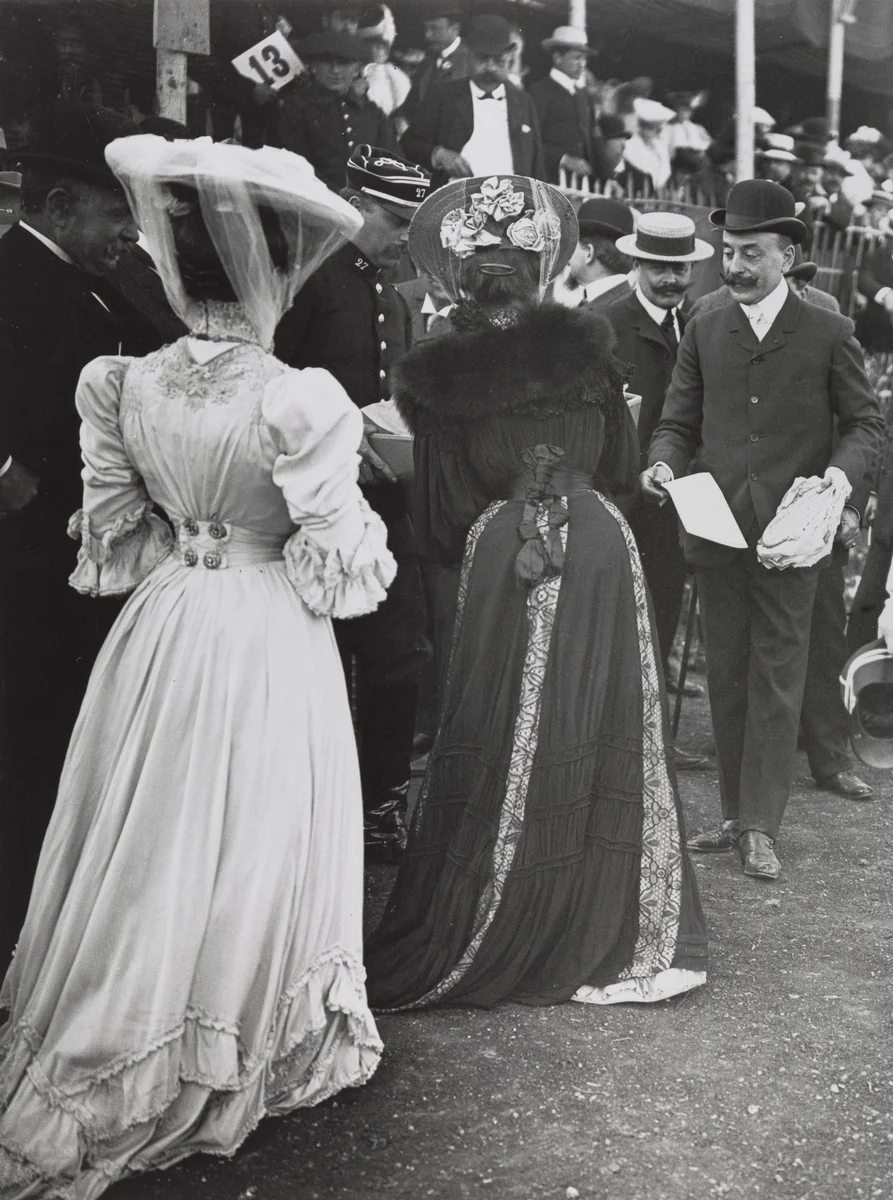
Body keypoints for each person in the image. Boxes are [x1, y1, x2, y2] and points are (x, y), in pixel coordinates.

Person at [0, 133, 392, 1196]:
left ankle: (128, 1003)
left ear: (179, 274)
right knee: (256, 815)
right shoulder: (299, 397)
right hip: (261, 617)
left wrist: (193, 534)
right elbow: (340, 563)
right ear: (274, 275)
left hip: (169, 616)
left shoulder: (119, 382)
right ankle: (226, 1022)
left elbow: (115, 533)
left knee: (151, 813)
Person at [366, 173, 707, 1010]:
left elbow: (440, 517)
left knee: (494, 717)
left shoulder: (437, 373)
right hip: (594, 544)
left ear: (456, 273)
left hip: (502, 549)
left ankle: (491, 902)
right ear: (539, 265)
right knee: (597, 718)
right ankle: (598, 903)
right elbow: (621, 470)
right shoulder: (589, 347)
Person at [644, 180, 883, 881]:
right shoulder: (704, 322)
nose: (735, 266)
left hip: (791, 536)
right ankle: (730, 813)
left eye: (750, 253)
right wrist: (662, 464)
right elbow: (675, 421)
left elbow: (865, 424)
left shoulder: (827, 331)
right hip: (714, 530)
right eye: (728, 251)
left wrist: (839, 480)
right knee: (725, 674)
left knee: (776, 677)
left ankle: (760, 826)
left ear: (786, 255)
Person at [0, 102, 175, 967]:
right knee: (29, 737)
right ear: (61, 207)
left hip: (85, 544)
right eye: (113, 213)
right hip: (27, 548)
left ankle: (56, 914)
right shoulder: (9, 271)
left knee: (70, 733)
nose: (124, 231)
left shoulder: (99, 280)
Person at [275, 145, 433, 862]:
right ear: (350, 204)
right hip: (315, 506)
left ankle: (381, 805)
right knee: (323, 660)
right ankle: (320, 806)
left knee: (399, 657)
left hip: (383, 508)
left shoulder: (391, 292)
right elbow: (275, 391)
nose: (403, 235)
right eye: (393, 219)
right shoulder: (307, 283)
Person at [690, 251, 874, 800]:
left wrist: (847, 504)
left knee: (822, 634)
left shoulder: (826, 319)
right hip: (739, 510)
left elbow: (856, 423)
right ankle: (758, 773)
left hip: (814, 509)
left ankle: (829, 755)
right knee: (759, 650)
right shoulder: (709, 316)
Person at [606, 213, 715, 764]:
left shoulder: (695, 324)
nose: (672, 279)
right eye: (660, 268)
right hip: (623, 498)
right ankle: (619, 739)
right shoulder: (605, 325)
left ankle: (654, 742)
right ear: (638, 264)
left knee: (665, 613)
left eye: (681, 268)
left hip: (678, 499)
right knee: (620, 622)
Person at [402, 15, 545, 191]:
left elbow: (537, 164)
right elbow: (409, 143)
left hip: (514, 204)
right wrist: (438, 154)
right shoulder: (443, 95)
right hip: (455, 202)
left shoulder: (523, 101)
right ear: (468, 55)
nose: (490, 67)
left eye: (498, 60)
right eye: (482, 59)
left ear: (509, 57)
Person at [276, 31, 394, 193]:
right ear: (314, 67)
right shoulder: (296, 109)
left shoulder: (372, 113)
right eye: (327, 63)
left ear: (356, 69)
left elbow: (391, 164)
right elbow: (295, 166)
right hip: (315, 204)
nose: (335, 70)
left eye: (343, 63)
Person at [528, 25, 598, 183]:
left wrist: (606, 178)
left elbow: (592, 140)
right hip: (550, 181)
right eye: (576, 58)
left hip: (582, 184)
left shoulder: (584, 96)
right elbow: (530, 141)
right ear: (557, 57)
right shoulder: (539, 92)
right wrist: (563, 159)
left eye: (584, 58)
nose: (582, 64)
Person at [551, 195, 634, 314]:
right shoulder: (626, 302)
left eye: (572, 247)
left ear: (589, 253)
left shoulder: (603, 313)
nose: (567, 258)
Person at [398, 7, 470, 124]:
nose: (427, 35)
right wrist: (401, 119)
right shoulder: (427, 63)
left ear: (454, 29)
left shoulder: (471, 63)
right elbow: (411, 104)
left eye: (434, 28)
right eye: (426, 28)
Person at [616, 97, 675, 195]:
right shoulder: (629, 145)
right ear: (641, 128)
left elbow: (664, 173)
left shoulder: (660, 146)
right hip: (634, 193)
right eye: (651, 129)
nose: (655, 133)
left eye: (657, 129)